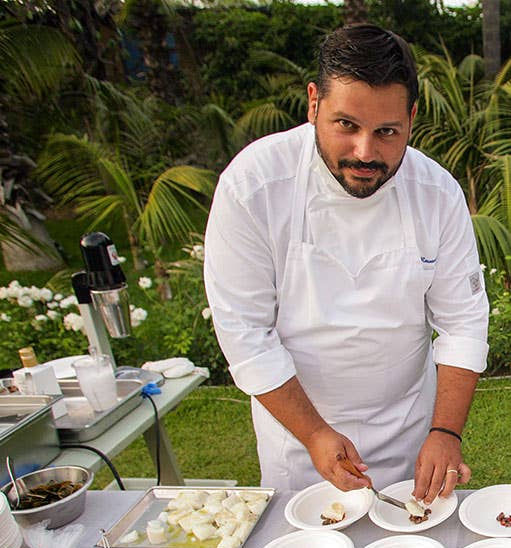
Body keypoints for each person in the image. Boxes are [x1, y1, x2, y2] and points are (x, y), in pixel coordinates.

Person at [204, 24, 489, 500]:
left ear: (412, 118)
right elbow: (247, 335)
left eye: (387, 132)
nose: (365, 152)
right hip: (297, 436)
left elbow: (463, 323)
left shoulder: (437, 194)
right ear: (314, 102)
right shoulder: (253, 186)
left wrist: (446, 432)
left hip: (410, 429)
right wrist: (315, 434)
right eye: (347, 126)